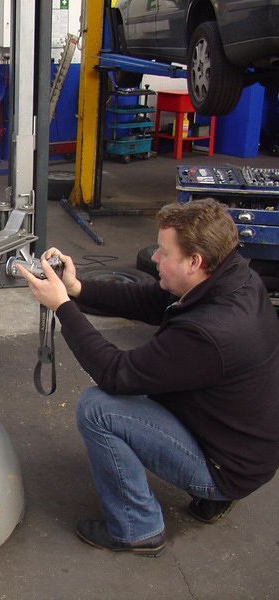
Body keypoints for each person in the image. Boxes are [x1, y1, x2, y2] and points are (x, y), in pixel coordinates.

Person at [18, 198, 279, 557]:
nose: (154, 257)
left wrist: (62, 306)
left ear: (194, 261)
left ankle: (136, 527)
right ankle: (215, 496)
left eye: (164, 252)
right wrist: (77, 289)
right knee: (149, 382)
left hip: (228, 468)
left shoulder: (211, 333)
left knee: (99, 408)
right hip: (245, 448)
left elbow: (115, 374)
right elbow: (148, 300)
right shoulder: (233, 278)